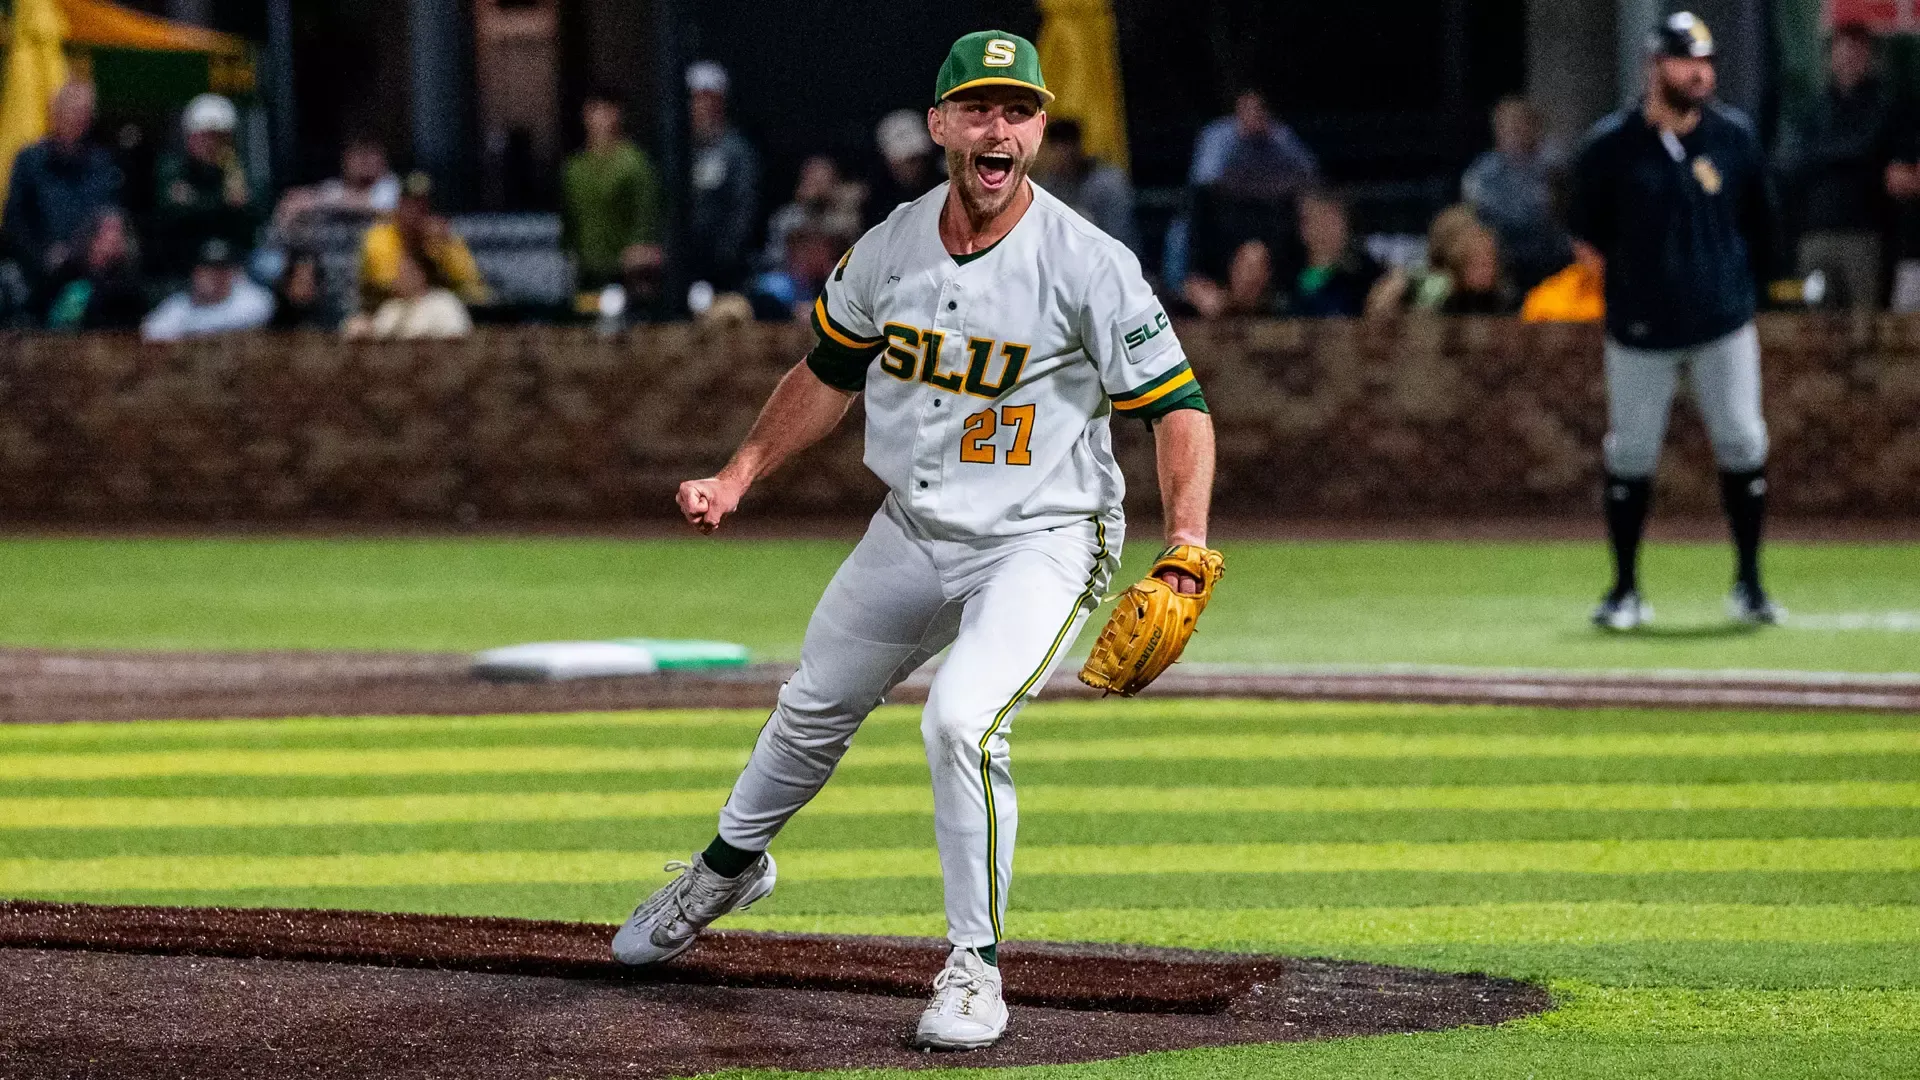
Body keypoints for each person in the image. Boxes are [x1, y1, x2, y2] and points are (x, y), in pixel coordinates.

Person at [612, 31, 1216, 1054]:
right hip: (914, 524)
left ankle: (975, 968)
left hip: (1042, 536)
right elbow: (826, 374)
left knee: (961, 723)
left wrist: (1186, 545)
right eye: (978, 108)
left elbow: (1177, 408)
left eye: (1018, 110)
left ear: (1038, 131)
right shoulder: (889, 246)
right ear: (941, 125)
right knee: (813, 705)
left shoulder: (1088, 263)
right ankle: (725, 872)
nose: (999, 128)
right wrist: (739, 472)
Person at [1568, 12, 1790, 630]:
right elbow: (1586, 238)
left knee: (1743, 441)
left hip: (1723, 322)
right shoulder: (1610, 146)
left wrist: (1740, 286)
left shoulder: (1733, 137)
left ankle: (1749, 585)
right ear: (1655, 65)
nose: (1700, 73)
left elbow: (1761, 224)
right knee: (1631, 453)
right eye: (1687, 61)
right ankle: (1624, 590)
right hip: (1641, 329)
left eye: (1706, 62)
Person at [1166, 89, 1319, 310]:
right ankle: (1179, 287)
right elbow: (1204, 184)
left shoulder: (1280, 137)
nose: (1252, 116)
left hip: (1268, 213)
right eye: (1246, 109)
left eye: (1257, 110)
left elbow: (1309, 176)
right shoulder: (1219, 135)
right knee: (1180, 232)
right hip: (1222, 214)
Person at [1775, 23, 1890, 312]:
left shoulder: (1883, 105)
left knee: (1864, 322)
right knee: (1815, 323)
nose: (1848, 57)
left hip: (1863, 234)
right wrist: (1842, 155)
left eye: (1856, 50)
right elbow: (1791, 162)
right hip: (1815, 233)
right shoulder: (1813, 108)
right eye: (1842, 50)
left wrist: (1823, 155)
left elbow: (1868, 148)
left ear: (1870, 57)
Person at [2, 81, 123, 311]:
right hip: (39, 278)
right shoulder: (30, 161)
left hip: (93, 276)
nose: (79, 118)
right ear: (54, 114)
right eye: (73, 110)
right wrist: (43, 255)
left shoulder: (102, 163)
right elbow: (14, 223)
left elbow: (110, 215)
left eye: (85, 111)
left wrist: (94, 249)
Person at [1461, 97, 1572, 292]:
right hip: (1504, 256)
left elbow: (1561, 209)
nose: (1514, 133)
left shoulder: (1555, 166)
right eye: (1507, 127)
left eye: (1520, 125)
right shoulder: (1483, 171)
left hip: (1550, 255)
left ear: (1535, 127)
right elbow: (1479, 212)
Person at [561, 91, 663, 299]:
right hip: (586, 271)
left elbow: (647, 212)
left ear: (618, 114)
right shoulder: (574, 169)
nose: (601, 119)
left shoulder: (634, 164)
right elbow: (569, 219)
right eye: (594, 111)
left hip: (626, 272)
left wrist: (641, 247)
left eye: (606, 111)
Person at [153, 94, 260, 278]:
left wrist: (198, 201)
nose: (212, 144)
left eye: (220, 138)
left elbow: (252, 212)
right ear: (190, 137)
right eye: (206, 137)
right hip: (182, 264)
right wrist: (223, 202)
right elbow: (174, 214)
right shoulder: (173, 168)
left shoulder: (235, 169)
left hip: (233, 261)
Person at [358, 172, 489, 312]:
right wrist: (413, 246)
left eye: (423, 205)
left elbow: (472, 287)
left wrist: (442, 250)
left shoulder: (442, 238)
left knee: (446, 306)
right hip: (383, 311)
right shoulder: (379, 236)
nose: (416, 211)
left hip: (437, 309)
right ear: (398, 206)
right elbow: (395, 286)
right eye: (409, 204)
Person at [685, 62, 759, 295]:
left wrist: (726, 254)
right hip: (685, 264)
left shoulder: (736, 151)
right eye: (697, 99)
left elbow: (744, 207)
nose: (703, 106)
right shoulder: (680, 153)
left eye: (709, 98)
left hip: (727, 269)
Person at [1032, 118, 1138, 255]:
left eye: (1065, 148)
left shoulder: (1108, 183)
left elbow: (1120, 239)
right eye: (1054, 150)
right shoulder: (1045, 188)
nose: (1060, 157)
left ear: (1077, 148)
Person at [141, 237, 274, 341]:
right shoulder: (177, 307)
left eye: (222, 270)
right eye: (208, 270)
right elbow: (150, 330)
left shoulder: (251, 299)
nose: (215, 276)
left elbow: (262, 308)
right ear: (195, 273)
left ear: (232, 273)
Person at [44, 208, 146, 331]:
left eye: (118, 232)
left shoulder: (127, 289)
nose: (112, 239)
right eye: (106, 231)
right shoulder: (66, 273)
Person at [1290, 190, 1385, 318]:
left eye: (1331, 220)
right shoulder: (1287, 273)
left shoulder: (1365, 272)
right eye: (1313, 220)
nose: (1323, 229)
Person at [759, 154, 863, 270]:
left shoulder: (844, 218)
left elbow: (852, 257)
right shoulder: (787, 217)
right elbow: (775, 257)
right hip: (789, 274)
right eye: (812, 181)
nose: (817, 188)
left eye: (822, 182)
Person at [345, 244, 472, 339]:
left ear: (422, 275)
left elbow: (457, 340)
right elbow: (378, 338)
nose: (398, 279)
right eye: (398, 273)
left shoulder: (444, 303)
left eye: (405, 273)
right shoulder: (391, 308)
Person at [273, 135, 402, 230]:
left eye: (369, 156)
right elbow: (305, 199)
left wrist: (323, 201)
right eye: (357, 156)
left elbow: (380, 207)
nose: (363, 163)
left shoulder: (391, 185)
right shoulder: (336, 186)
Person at [869, 108, 941, 226]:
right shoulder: (879, 203)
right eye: (908, 161)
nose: (916, 167)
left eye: (919, 159)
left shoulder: (945, 184)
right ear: (890, 161)